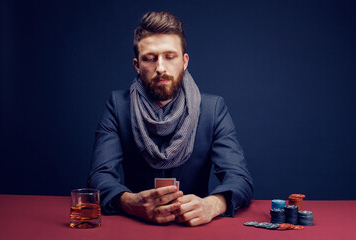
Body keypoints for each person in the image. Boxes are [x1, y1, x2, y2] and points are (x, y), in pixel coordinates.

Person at [88, 10, 253, 227]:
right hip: (136, 227)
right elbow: (99, 176)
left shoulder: (213, 109)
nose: (161, 68)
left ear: (184, 61)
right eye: (150, 58)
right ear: (137, 65)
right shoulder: (118, 106)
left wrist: (212, 205)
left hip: (194, 230)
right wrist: (129, 202)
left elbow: (239, 178)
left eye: (169, 56)